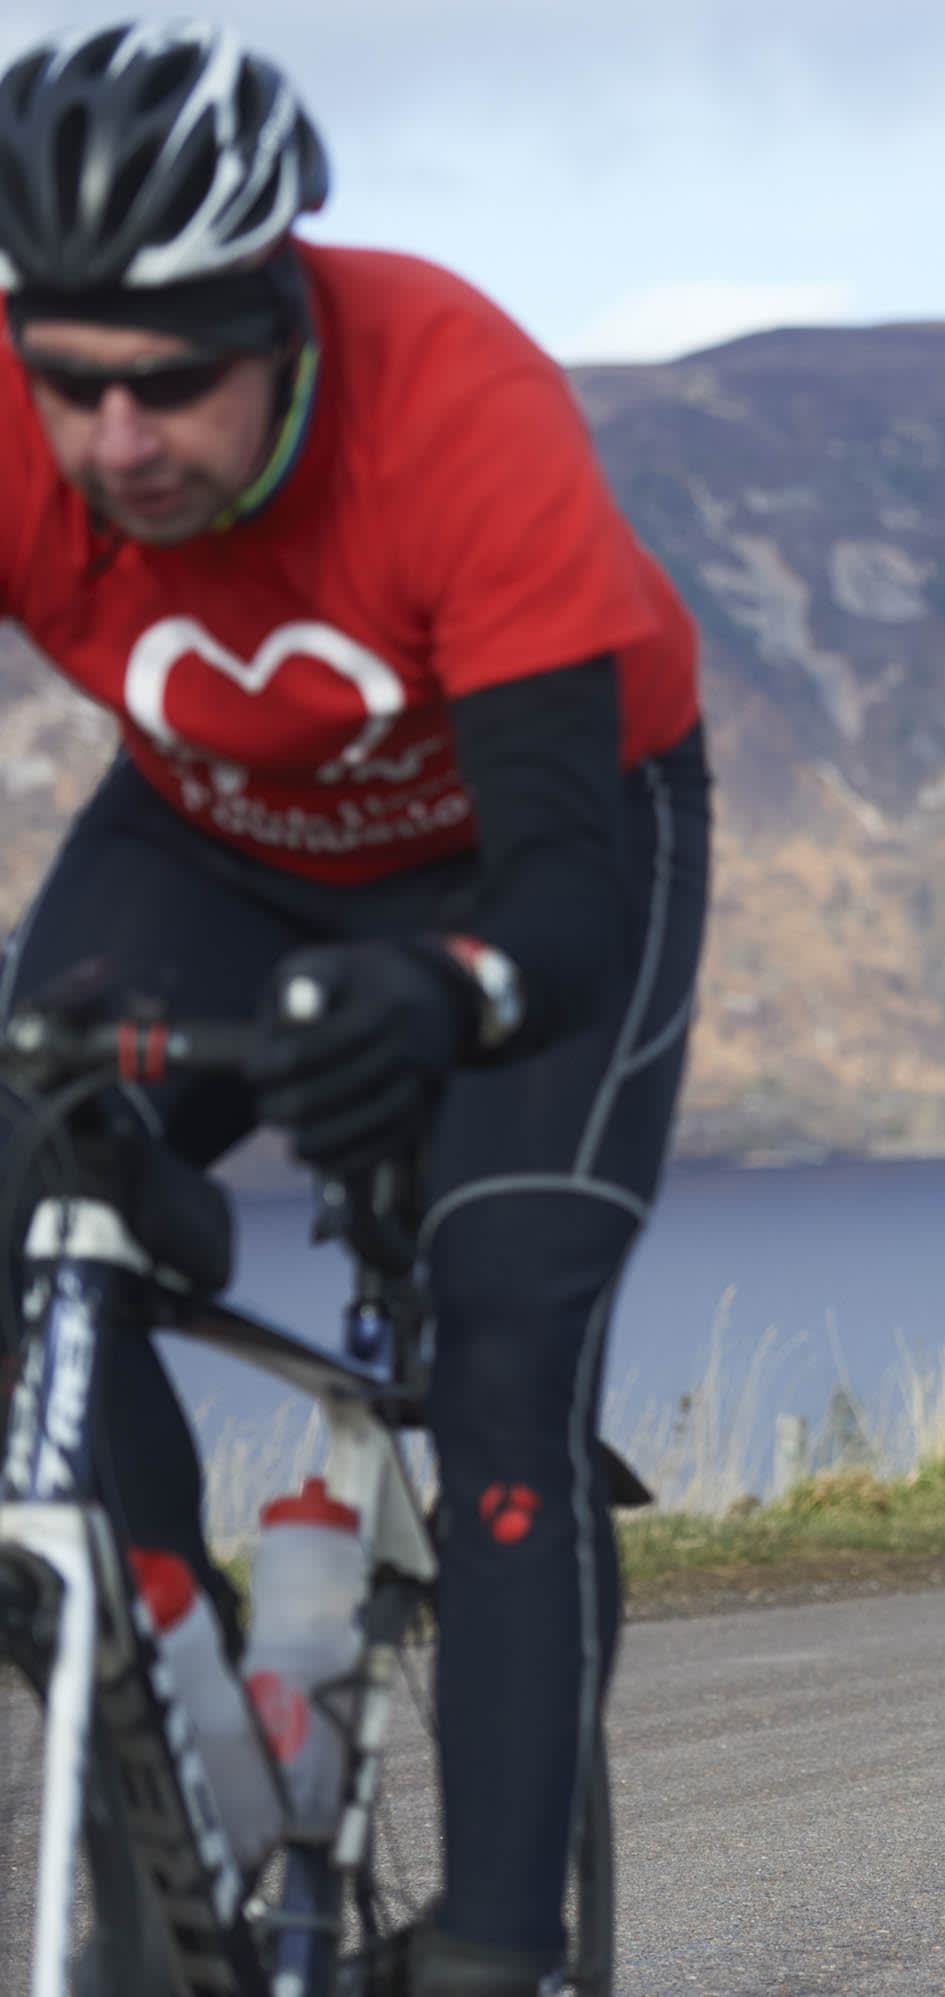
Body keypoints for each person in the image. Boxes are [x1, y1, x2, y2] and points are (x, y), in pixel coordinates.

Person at [0, 24, 708, 1992]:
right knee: (13, 1192)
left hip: (539, 848)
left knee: (501, 1338)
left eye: (172, 384)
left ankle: (493, 1945)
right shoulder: (18, 422)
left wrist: (444, 987)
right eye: (71, 383)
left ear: (284, 320)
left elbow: (566, 896)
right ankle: (172, 1719)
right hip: (215, 833)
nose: (118, 441)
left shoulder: (453, 401)